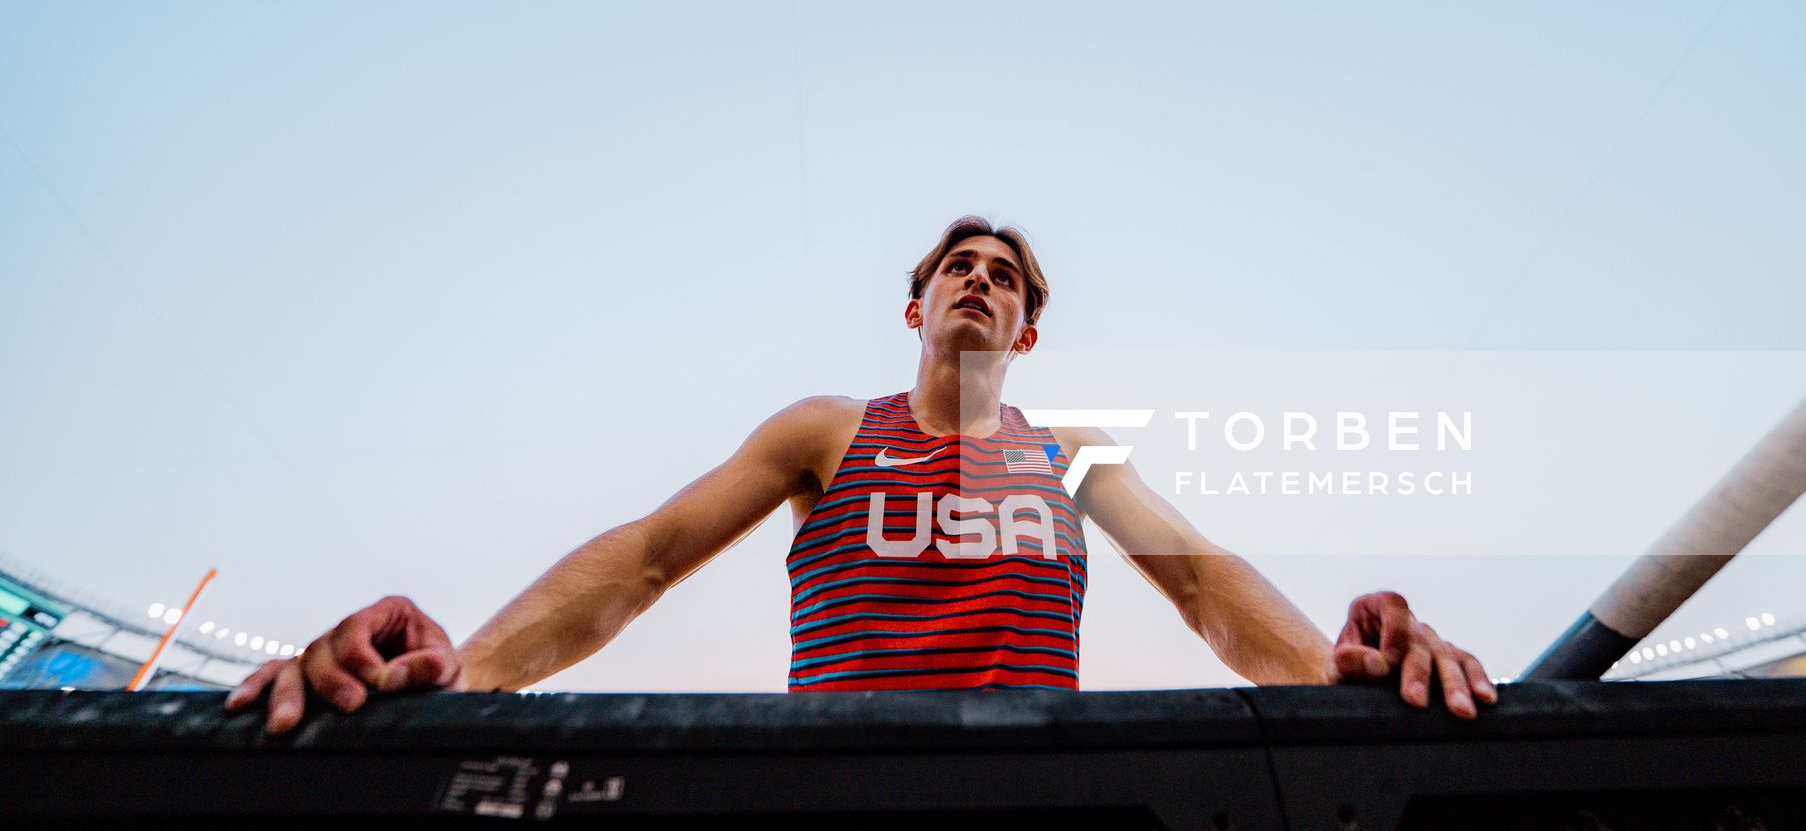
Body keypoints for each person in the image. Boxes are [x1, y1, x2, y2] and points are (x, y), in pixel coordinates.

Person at [228, 216, 1498, 731]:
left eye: (1005, 273)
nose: (981, 277)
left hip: (1036, 789)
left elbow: (1205, 585)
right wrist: (472, 672)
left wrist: (1344, 680)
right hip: (835, 780)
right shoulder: (829, 428)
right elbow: (651, 553)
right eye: (959, 262)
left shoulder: (1074, 455)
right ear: (918, 304)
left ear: (1027, 329)